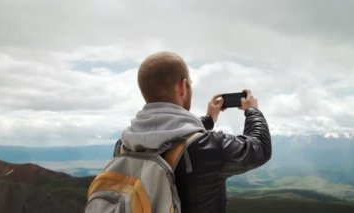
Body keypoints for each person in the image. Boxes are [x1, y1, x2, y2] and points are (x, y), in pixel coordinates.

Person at [114, 51, 272, 213]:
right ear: (182, 87)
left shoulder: (124, 145)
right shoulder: (209, 147)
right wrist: (252, 110)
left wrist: (209, 119)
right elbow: (260, 147)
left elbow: (170, 137)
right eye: (189, 83)